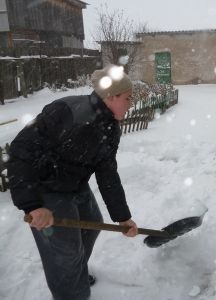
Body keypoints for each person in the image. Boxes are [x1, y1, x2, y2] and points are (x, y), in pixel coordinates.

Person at [8, 64, 138, 300]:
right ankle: (71, 289)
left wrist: (122, 217)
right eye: (128, 99)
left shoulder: (110, 126)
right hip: (46, 189)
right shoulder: (68, 113)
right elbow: (20, 150)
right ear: (111, 96)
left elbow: (107, 171)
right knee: (65, 252)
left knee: (92, 225)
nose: (131, 104)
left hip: (74, 184)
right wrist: (33, 205)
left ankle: (72, 275)